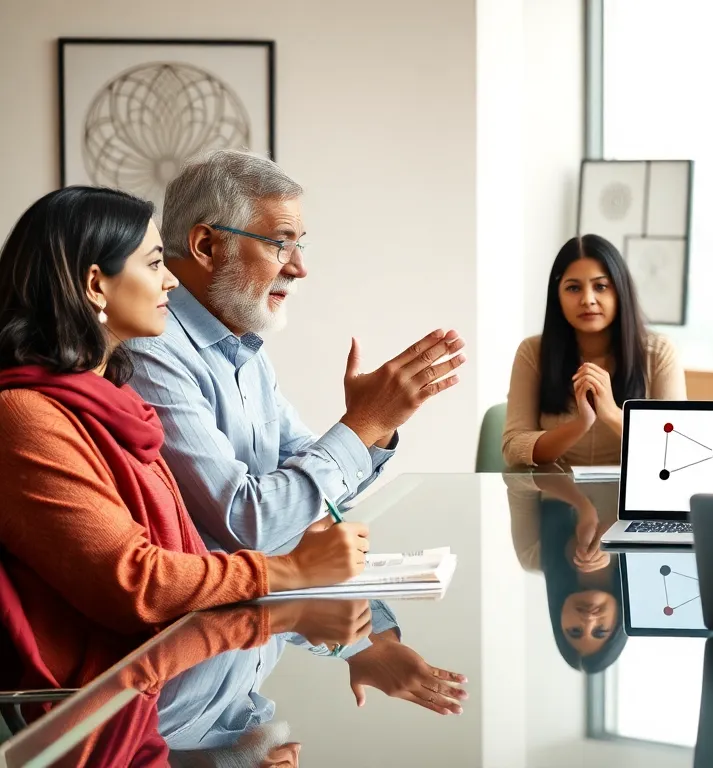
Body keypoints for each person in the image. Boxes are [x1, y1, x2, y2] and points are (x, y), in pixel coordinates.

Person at [122, 149, 463, 711]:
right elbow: (250, 520)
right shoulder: (151, 351)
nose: (299, 266)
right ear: (207, 246)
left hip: (245, 645)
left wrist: (373, 431)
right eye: (281, 242)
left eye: (301, 244)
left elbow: (306, 487)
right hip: (180, 685)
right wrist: (362, 425)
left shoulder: (244, 346)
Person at [0, 187, 368, 697]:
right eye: (154, 264)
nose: (170, 278)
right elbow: (134, 582)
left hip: (159, 667)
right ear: (95, 285)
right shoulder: (25, 417)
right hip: (90, 701)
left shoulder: (109, 402)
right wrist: (289, 570)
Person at [503, 234, 685, 467]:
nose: (588, 300)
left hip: (628, 499)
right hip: (555, 497)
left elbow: (676, 447)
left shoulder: (658, 352)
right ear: (557, 295)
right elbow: (514, 447)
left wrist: (611, 413)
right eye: (573, 288)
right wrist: (581, 424)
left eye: (600, 286)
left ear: (620, 291)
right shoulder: (533, 352)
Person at [507, 473, 627, 672]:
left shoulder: (533, 556)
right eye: (600, 631)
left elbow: (516, 477)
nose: (588, 621)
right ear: (619, 624)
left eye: (575, 631)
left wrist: (581, 504)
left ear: (558, 621)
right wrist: (617, 531)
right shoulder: (640, 561)